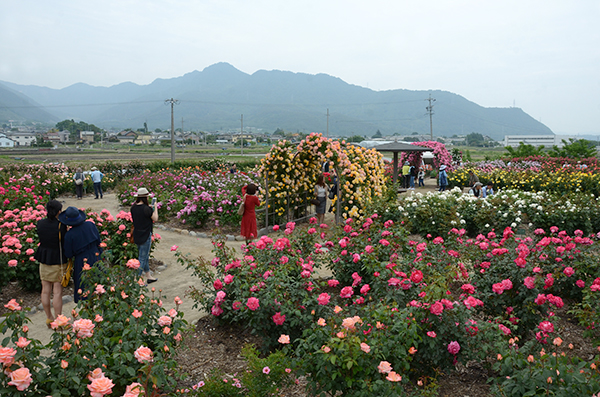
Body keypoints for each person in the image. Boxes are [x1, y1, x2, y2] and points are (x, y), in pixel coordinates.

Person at [34, 200, 68, 328]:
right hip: (57, 260)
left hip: (44, 259)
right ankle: (59, 320)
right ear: (58, 211)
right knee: (57, 291)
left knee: (45, 290)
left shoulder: (40, 223)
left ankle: (49, 318)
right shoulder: (61, 225)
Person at [59, 206, 102, 303]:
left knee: (84, 285)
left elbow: (69, 254)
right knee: (99, 281)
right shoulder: (90, 225)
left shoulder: (70, 234)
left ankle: (88, 308)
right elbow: (98, 241)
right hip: (96, 255)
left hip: (81, 260)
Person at [131, 187, 159, 285]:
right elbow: (155, 218)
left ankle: (148, 276)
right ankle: (137, 280)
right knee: (142, 258)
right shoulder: (146, 209)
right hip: (145, 234)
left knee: (144, 256)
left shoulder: (133, 207)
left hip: (137, 234)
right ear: (145, 198)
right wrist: (155, 208)